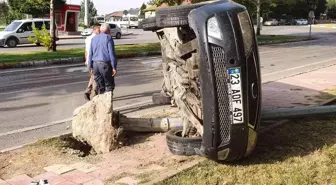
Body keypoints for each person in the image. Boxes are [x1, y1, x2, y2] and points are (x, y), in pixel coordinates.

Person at [87, 23, 117, 94]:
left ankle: (102, 102)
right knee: (109, 85)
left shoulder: (94, 39)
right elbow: (111, 54)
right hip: (105, 65)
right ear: (108, 30)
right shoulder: (108, 38)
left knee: (101, 86)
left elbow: (90, 53)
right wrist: (114, 67)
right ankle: (108, 103)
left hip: (95, 65)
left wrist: (89, 66)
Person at [84, 23, 101, 100]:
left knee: (93, 77)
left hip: (89, 60)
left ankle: (88, 91)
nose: (100, 31)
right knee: (96, 78)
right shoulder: (96, 38)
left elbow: (86, 51)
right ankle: (95, 94)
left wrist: (86, 60)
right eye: (99, 29)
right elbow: (93, 51)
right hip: (94, 61)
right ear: (95, 29)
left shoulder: (87, 38)